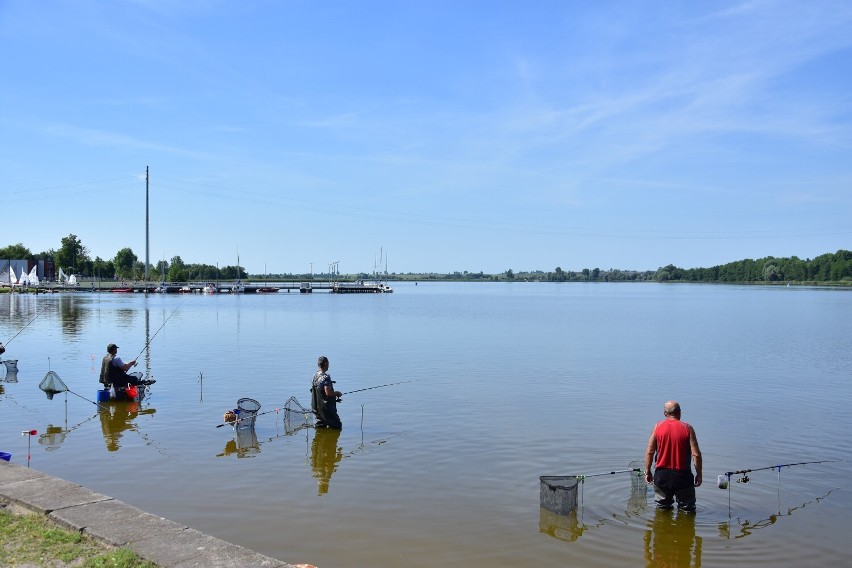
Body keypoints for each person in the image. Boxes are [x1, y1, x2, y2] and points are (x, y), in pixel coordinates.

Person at [644, 400, 702, 512]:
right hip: (683, 476)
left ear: (665, 413)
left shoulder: (657, 427)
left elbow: (650, 451)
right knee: (687, 510)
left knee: (662, 509)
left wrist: (648, 471)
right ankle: (685, 528)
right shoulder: (687, 428)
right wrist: (699, 474)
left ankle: (662, 527)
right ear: (679, 412)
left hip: (662, 476)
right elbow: (696, 454)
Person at [311, 355, 342, 429]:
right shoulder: (326, 377)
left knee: (320, 427)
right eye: (328, 363)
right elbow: (328, 393)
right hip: (326, 409)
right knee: (337, 426)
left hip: (316, 407)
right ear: (325, 364)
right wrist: (337, 393)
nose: (329, 365)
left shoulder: (314, 375)